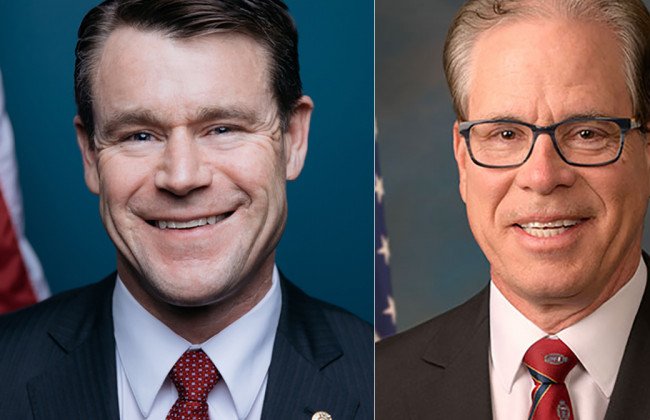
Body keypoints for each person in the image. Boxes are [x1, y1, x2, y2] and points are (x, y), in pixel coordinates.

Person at [376, 0, 650, 418]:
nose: (541, 176)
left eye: (586, 133)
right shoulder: (375, 387)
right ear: (463, 162)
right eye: (505, 134)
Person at [0, 1, 372, 419]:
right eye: (140, 135)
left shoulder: (384, 380)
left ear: (293, 139)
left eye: (223, 129)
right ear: (89, 154)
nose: (181, 177)